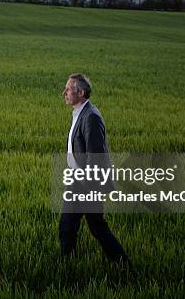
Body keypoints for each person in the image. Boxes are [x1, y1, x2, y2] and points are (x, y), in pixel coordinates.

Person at [59, 73, 129, 263]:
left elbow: (95, 157)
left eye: (68, 89)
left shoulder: (91, 117)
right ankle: (70, 261)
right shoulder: (80, 112)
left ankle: (122, 264)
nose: (64, 92)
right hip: (79, 178)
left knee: (86, 225)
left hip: (87, 182)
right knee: (76, 225)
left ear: (80, 92)